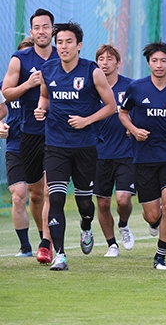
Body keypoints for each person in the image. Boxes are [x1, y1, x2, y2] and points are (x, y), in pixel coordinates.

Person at [35, 22, 117, 271]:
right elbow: (45, 96)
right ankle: (59, 254)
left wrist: (87, 120)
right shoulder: (48, 70)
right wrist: (41, 108)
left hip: (85, 146)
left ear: (79, 45)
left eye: (68, 42)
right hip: (56, 145)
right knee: (56, 197)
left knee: (84, 203)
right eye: (59, 42)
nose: (63, 47)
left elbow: (111, 106)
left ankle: (85, 225)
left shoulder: (92, 72)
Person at [119, 42, 166, 270]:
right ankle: (155, 221)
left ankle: (161, 255)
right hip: (144, 156)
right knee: (152, 214)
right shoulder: (136, 88)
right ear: (149, 63)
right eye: (155, 61)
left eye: (163, 61)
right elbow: (123, 113)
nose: (159, 65)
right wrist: (134, 130)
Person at [2, 9, 58, 264]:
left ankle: (46, 243)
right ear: (32, 31)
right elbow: (6, 93)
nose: (42, 31)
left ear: (53, 30)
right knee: (33, 194)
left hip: (58, 135)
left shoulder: (65, 58)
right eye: (37, 27)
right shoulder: (19, 60)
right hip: (28, 135)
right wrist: (28, 84)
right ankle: (37, 239)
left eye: (46, 27)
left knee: (50, 191)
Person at [93, 45, 135, 257]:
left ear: (118, 63)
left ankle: (124, 223)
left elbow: (141, 111)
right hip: (99, 153)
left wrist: (134, 127)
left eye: (110, 58)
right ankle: (112, 244)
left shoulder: (130, 87)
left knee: (123, 199)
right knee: (102, 202)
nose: (105, 62)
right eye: (101, 58)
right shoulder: (91, 88)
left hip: (126, 153)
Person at [0, 36, 33, 257]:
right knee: (18, 195)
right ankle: (25, 246)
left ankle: (48, 243)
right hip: (15, 144)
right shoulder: (7, 86)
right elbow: (2, 112)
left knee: (44, 197)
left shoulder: (49, 83)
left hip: (45, 144)